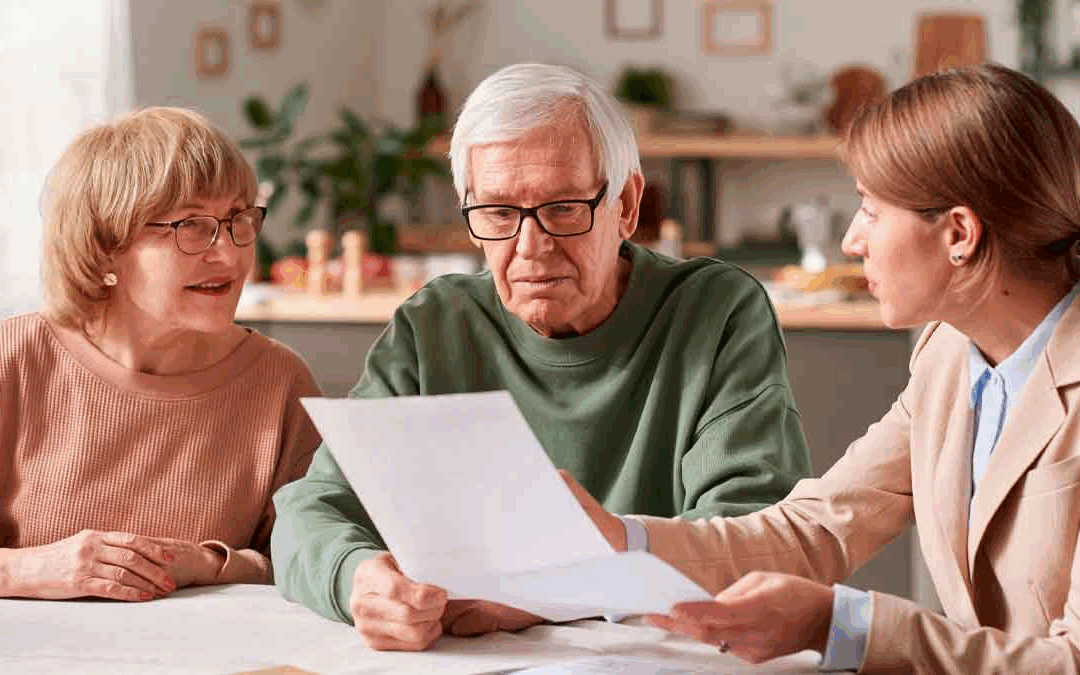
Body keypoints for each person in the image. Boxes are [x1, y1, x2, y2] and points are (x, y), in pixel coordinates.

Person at [271, 62, 812, 651]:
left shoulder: (716, 311)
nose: (531, 247)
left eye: (563, 208)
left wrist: (548, 595)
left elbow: (752, 539)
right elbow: (307, 513)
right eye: (499, 213)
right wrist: (356, 579)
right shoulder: (435, 325)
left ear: (627, 205)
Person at [564, 62, 1080, 672]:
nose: (852, 242)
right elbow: (819, 529)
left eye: (871, 210)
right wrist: (621, 540)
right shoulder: (948, 355)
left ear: (959, 234)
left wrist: (842, 625)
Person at [0, 107, 322, 601]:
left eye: (238, 219)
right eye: (191, 225)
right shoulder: (16, 359)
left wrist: (211, 564)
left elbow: (316, 565)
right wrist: (28, 569)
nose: (230, 254)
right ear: (104, 246)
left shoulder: (280, 381)